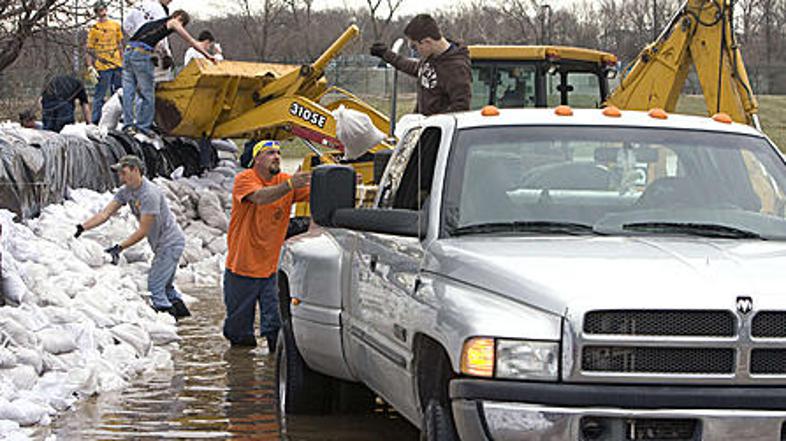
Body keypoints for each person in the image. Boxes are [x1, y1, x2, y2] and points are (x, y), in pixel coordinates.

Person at [74, 155, 191, 319]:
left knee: (155, 287)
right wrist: (81, 228)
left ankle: (169, 325)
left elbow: (143, 230)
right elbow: (105, 213)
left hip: (169, 243)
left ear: (136, 170)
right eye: (119, 174)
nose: (120, 178)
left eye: (123, 173)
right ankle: (184, 323)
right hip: (163, 244)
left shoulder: (149, 194)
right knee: (166, 287)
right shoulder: (127, 192)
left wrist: (119, 247)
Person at [223, 140, 311, 348]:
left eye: (279, 153)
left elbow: (318, 192)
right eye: (270, 152)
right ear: (257, 159)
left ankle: (274, 372)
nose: (277, 156)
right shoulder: (245, 179)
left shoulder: (284, 180)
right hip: (242, 270)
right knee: (239, 335)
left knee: (276, 329)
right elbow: (260, 197)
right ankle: (241, 374)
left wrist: (342, 180)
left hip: (272, 270)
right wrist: (290, 185)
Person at [122, 9, 215, 134]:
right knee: (148, 93)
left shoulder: (152, 25)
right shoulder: (174, 21)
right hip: (141, 54)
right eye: (182, 24)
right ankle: (143, 127)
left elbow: (148, 39)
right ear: (179, 17)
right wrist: (208, 55)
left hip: (128, 51)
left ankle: (127, 125)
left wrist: (156, 55)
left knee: (129, 91)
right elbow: (191, 41)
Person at [370, 14, 471, 116]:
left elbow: (461, 107)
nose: (415, 51)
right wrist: (386, 54)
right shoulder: (433, 57)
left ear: (427, 41)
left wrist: (432, 124)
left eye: (414, 46)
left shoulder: (456, 68)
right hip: (423, 124)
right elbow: (415, 68)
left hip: (439, 129)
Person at [86, 0, 123, 124]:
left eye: (102, 9)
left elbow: (120, 45)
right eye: (98, 10)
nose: (101, 12)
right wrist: (90, 66)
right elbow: (89, 49)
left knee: (118, 93)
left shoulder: (115, 25)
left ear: (106, 10)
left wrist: (124, 62)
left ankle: (120, 118)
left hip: (117, 64)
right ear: (96, 12)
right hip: (102, 66)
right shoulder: (94, 29)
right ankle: (96, 120)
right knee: (99, 95)